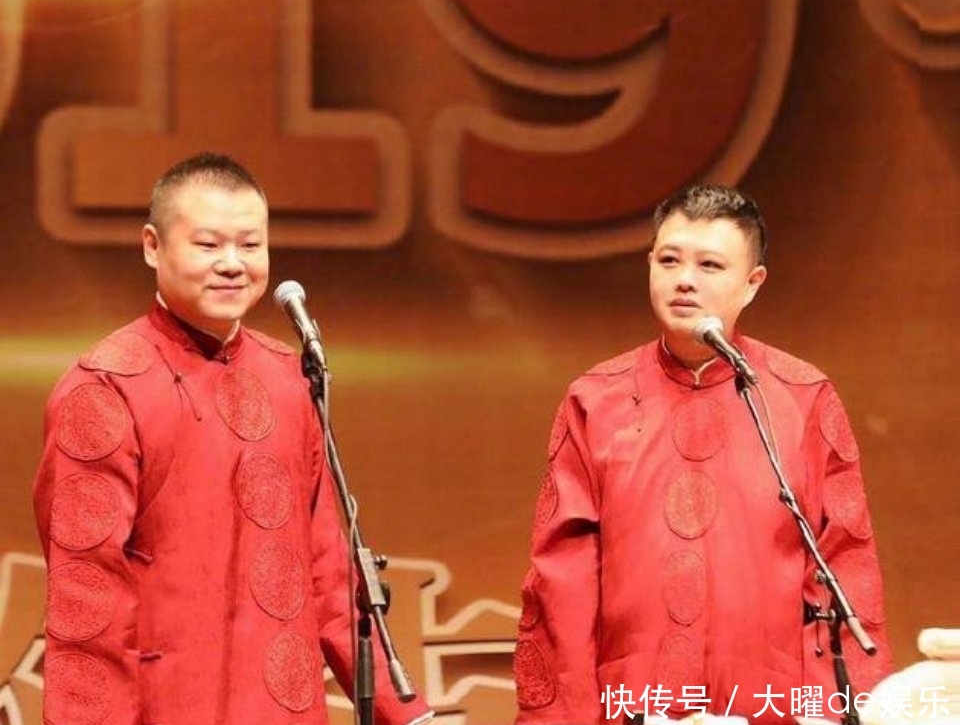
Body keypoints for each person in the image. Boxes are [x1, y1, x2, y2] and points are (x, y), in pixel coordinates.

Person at [33, 152, 432, 725]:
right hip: (167, 708)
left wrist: (406, 713)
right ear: (152, 246)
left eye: (250, 245)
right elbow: (87, 598)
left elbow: (327, 570)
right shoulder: (104, 388)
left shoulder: (289, 378)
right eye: (207, 245)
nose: (232, 264)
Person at [512, 184, 893, 724]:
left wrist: (836, 713)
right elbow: (562, 582)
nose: (685, 279)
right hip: (634, 705)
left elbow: (845, 564)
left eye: (710, 265)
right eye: (669, 260)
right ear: (649, 265)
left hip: (772, 705)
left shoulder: (803, 397)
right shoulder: (596, 399)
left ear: (752, 283)